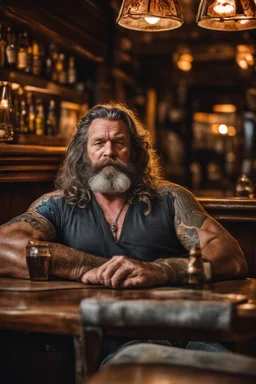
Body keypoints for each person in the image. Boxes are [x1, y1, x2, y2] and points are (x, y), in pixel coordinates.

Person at [0, 102, 248, 363]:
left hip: (184, 340)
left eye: (119, 143)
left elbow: (231, 256)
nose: (110, 152)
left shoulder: (170, 198)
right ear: (83, 153)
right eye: (98, 143)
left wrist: (160, 270)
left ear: (135, 152)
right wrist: (86, 268)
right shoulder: (58, 205)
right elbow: (5, 244)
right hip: (109, 348)